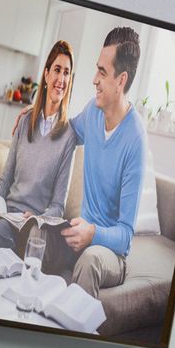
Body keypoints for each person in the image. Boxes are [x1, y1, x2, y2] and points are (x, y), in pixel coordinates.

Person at [54, 26, 147, 296]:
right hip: (81, 234)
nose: (94, 79)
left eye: (102, 72)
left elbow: (126, 236)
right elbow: (65, 132)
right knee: (39, 237)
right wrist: (35, 114)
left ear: (121, 80)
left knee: (89, 260)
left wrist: (93, 234)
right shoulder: (92, 113)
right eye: (97, 69)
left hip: (108, 253)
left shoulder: (135, 140)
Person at [0, 40, 79, 258]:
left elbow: (58, 205)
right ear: (47, 74)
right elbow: (5, 179)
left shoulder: (69, 136)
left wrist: (36, 218)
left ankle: (5, 282)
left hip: (31, 220)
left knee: (0, 230)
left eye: (67, 73)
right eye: (57, 70)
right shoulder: (26, 121)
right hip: (8, 211)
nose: (61, 79)